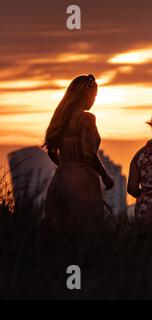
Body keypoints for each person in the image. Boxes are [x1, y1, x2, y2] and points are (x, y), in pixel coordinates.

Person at [43, 74, 114, 230]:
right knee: (86, 231)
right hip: (83, 182)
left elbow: (52, 152)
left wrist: (66, 164)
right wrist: (106, 176)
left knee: (58, 231)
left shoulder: (59, 119)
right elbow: (89, 153)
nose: (94, 100)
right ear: (85, 94)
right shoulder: (87, 119)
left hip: (60, 179)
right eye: (94, 96)